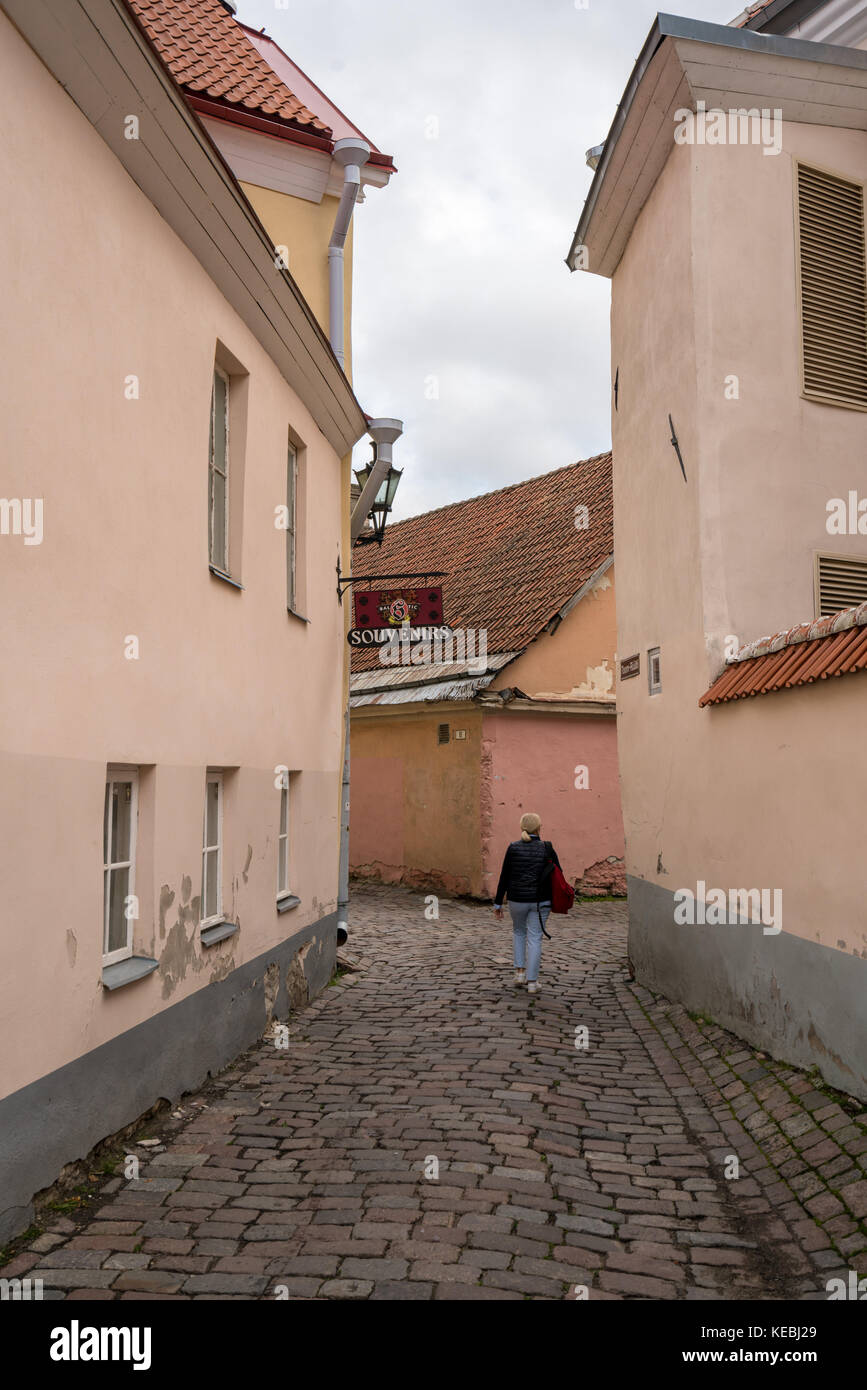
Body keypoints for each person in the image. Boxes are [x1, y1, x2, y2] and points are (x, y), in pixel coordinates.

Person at [493, 812, 562, 994]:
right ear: (539, 828)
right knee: (535, 938)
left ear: (521, 827)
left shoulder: (513, 847)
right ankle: (533, 982)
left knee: (518, 932)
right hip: (541, 901)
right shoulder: (547, 848)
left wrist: (498, 903)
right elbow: (558, 873)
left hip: (517, 899)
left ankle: (519, 973)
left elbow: (504, 876)